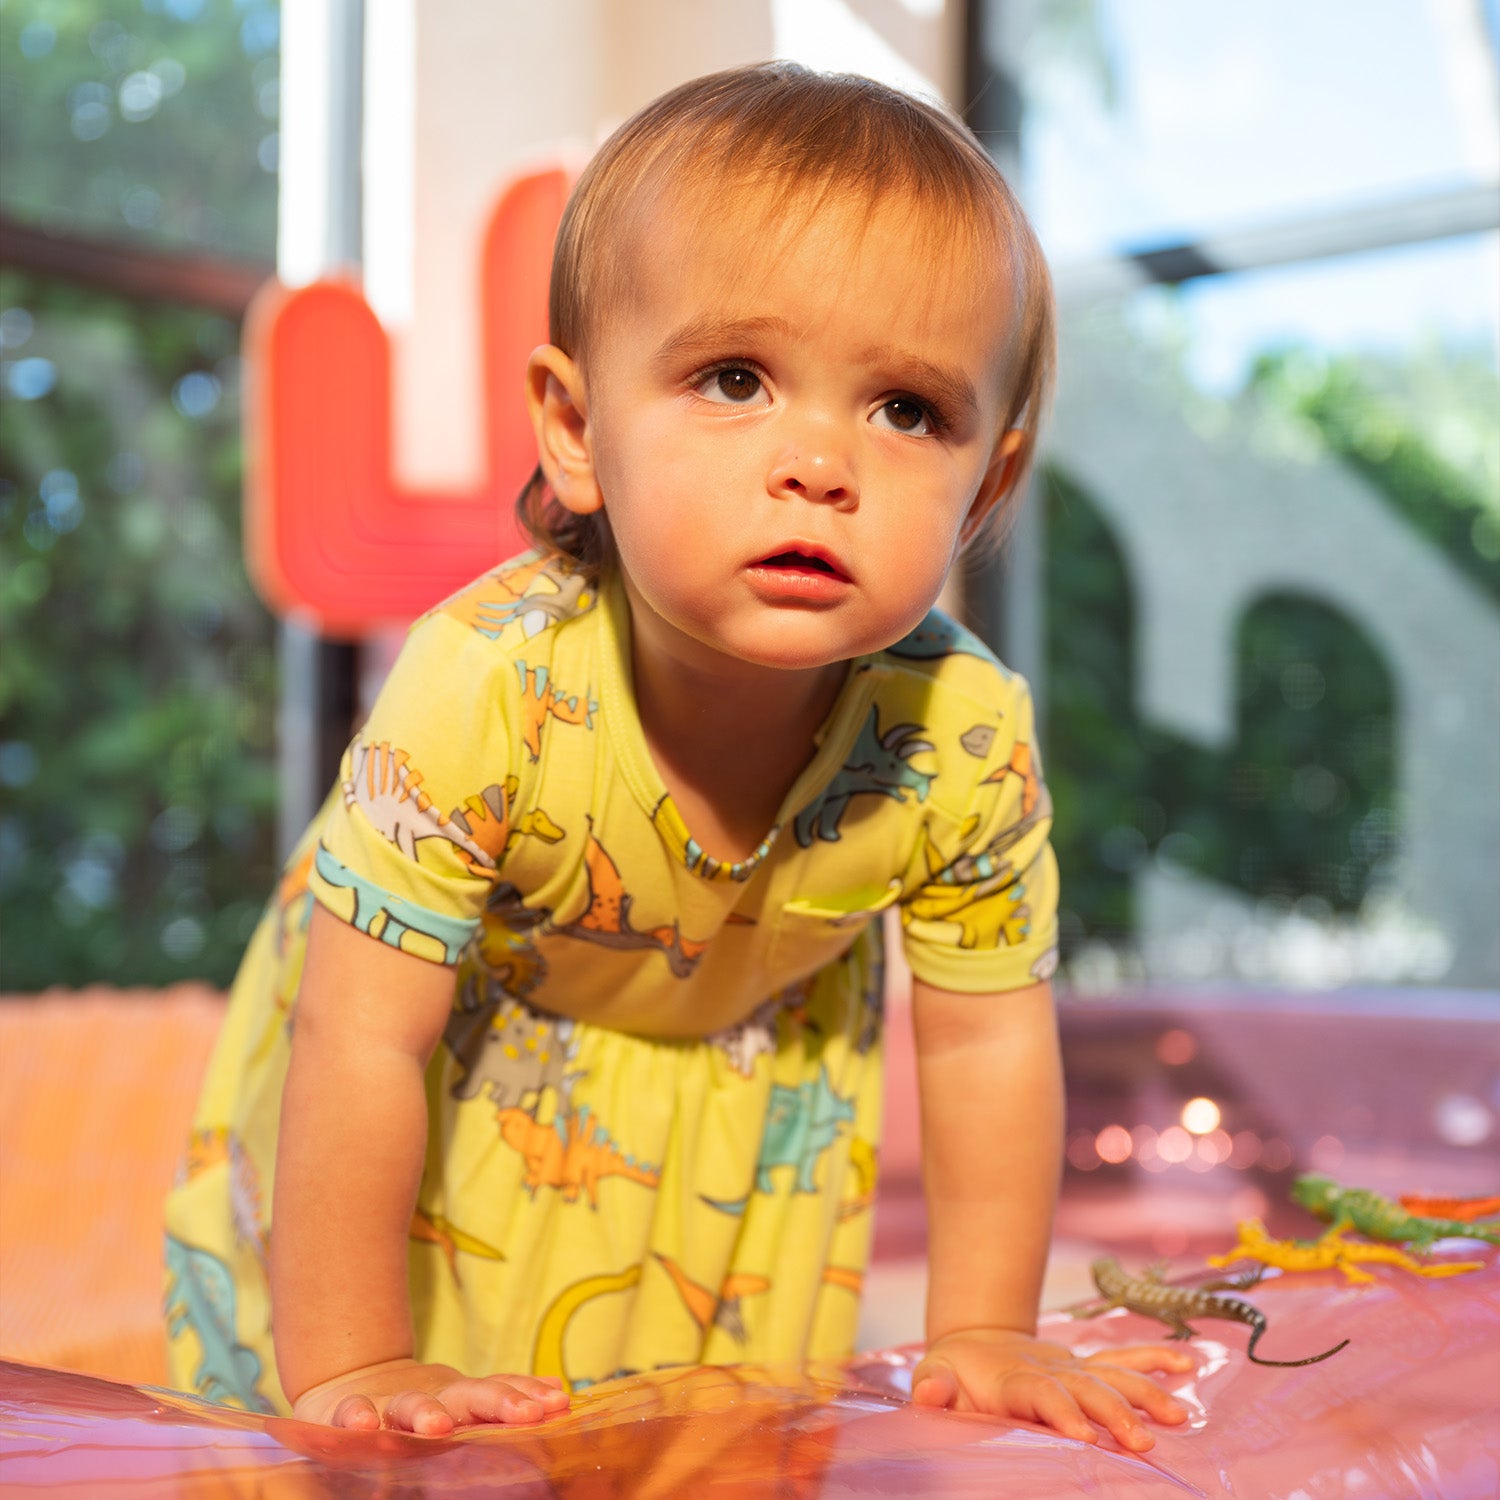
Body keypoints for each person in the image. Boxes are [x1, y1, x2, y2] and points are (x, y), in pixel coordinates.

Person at [164, 61, 1192, 1450]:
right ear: (579, 431)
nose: (822, 463)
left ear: (987, 487)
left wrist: (983, 1333)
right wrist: (350, 1365)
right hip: (443, 1079)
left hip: (735, 1103)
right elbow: (360, 1041)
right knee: (386, 1443)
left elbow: (988, 1042)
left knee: (697, 1450)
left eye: (907, 411)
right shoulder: (487, 682)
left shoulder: (963, 738)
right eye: (735, 378)